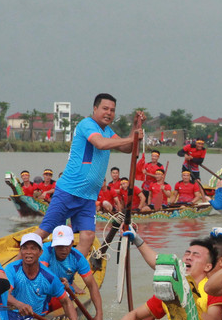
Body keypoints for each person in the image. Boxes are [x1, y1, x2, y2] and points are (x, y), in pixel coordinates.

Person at [37, 93, 144, 257]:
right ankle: (12, 272)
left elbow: (128, 148)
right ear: (95, 108)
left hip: (88, 197)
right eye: (105, 108)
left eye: (112, 110)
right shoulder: (87, 124)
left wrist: (135, 128)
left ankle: (69, 272)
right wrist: (132, 138)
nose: (109, 113)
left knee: (88, 237)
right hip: (69, 191)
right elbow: (100, 143)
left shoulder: (107, 130)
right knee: (44, 233)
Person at [107, 237, 222, 320]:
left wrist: (187, 299)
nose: (189, 257)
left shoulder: (213, 289)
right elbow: (135, 315)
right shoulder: (170, 292)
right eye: (187, 253)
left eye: (196, 255)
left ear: (208, 266)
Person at [3, 233, 79, 320]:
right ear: (21, 251)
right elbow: (4, 293)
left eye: (33, 248)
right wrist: (19, 304)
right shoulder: (11, 269)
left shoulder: (49, 277)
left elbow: (66, 302)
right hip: (10, 314)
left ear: (40, 252)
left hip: (33, 318)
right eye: (25, 248)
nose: (28, 252)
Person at [40, 225, 104, 320]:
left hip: (62, 292)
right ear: (53, 244)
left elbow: (92, 286)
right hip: (42, 287)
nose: (63, 250)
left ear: (72, 242)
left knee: (59, 300)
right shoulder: (45, 250)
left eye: (66, 245)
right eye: (59, 246)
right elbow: (43, 275)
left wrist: (99, 314)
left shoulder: (77, 258)